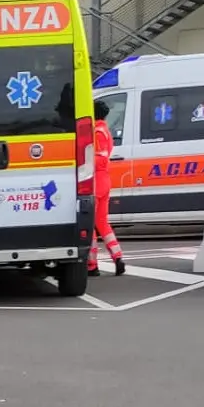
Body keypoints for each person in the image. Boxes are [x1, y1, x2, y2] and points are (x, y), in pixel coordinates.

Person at [88, 99, 125, 277]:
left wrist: (84, 163)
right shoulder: (106, 131)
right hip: (105, 180)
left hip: (95, 181)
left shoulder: (96, 132)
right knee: (102, 222)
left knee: (89, 224)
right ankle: (117, 257)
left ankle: (91, 264)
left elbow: (100, 158)